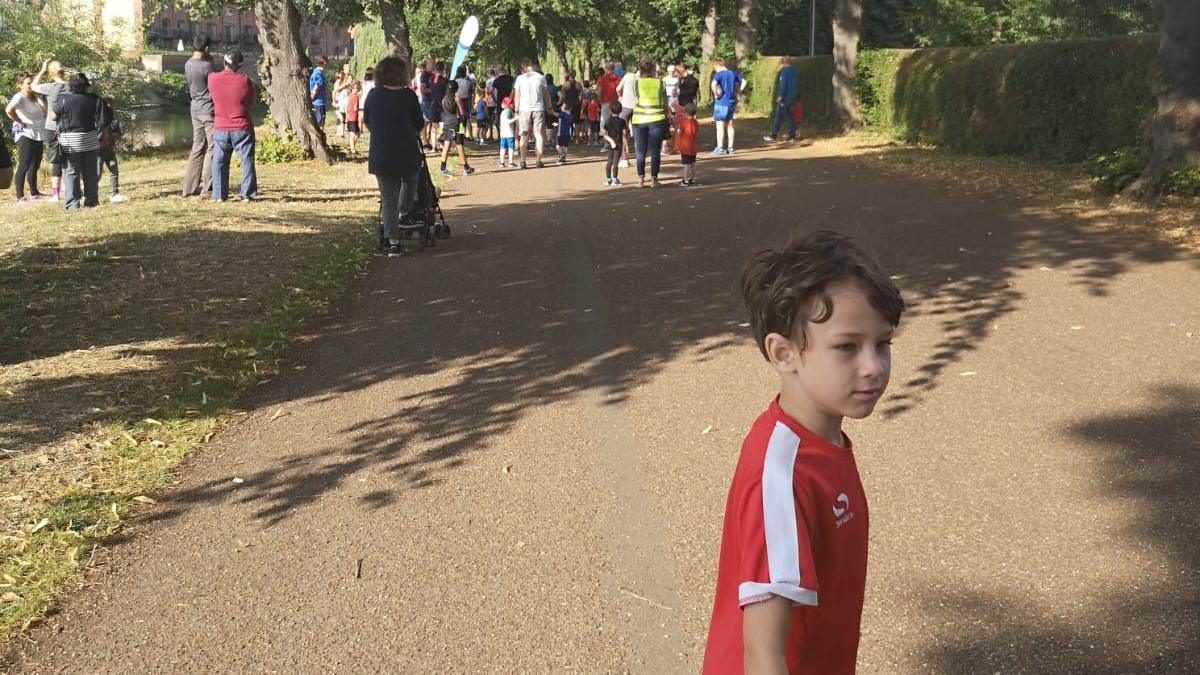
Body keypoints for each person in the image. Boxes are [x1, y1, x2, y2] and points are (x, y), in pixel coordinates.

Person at [702, 230, 904, 674]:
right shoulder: (782, 474)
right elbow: (763, 653)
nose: (874, 366)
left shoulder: (823, 442)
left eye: (883, 343)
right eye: (847, 347)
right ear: (784, 353)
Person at [363, 56, 424, 258]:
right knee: (411, 179)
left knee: (387, 198)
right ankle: (405, 211)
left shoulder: (373, 95)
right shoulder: (408, 96)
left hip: (382, 152)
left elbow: (368, 121)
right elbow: (418, 123)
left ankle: (394, 242)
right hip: (406, 151)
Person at [208, 51, 258, 202]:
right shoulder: (245, 81)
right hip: (242, 126)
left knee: (219, 161)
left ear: (224, 62)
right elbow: (250, 102)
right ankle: (247, 194)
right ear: (239, 66)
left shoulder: (212, 79)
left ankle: (219, 195)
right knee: (246, 160)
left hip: (221, 127)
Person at [53, 73, 104, 210]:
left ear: (71, 86)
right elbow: (101, 121)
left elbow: (53, 116)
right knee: (91, 173)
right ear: (86, 86)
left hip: (70, 141)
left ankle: (72, 204)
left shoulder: (63, 99)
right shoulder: (95, 99)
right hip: (90, 139)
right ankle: (92, 202)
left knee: (71, 172)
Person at [6, 72, 48, 203]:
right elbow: (9, 110)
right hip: (25, 134)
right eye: (28, 84)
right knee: (24, 165)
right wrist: (19, 120)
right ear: (20, 85)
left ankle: (34, 193)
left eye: (31, 83)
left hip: (38, 133)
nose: (31, 86)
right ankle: (20, 196)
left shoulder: (34, 97)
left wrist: (37, 96)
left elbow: (45, 111)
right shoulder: (19, 97)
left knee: (35, 165)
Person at [32, 59, 69, 201]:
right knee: (70, 158)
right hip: (69, 127)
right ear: (63, 71)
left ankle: (55, 194)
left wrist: (42, 70)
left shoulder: (49, 87)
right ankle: (69, 186)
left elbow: (34, 86)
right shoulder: (70, 87)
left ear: (51, 72)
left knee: (56, 161)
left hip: (52, 128)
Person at [629, 59, 667, 188]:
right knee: (655, 151)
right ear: (652, 70)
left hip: (639, 120)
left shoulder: (635, 84)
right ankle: (654, 180)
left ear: (640, 70)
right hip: (657, 119)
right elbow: (665, 103)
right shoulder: (661, 84)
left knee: (640, 151)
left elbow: (635, 101)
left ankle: (640, 179)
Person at [513, 59, 551, 169]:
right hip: (538, 108)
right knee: (538, 134)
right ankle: (538, 161)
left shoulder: (520, 79)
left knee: (524, 135)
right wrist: (549, 107)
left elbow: (517, 96)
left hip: (524, 109)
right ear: (532, 66)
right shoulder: (540, 78)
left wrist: (516, 110)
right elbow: (546, 95)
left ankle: (523, 161)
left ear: (523, 67)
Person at [437, 80, 475, 177]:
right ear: (456, 89)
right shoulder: (456, 98)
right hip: (457, 123)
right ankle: (466, 167)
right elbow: (462, 112)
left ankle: (443, 166)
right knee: (459, 144)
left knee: (447, 143)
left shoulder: (444, 99)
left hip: (447, 122)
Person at [710, 57, 745, 154]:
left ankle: (720, 147)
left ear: (717, 65)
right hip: (731, 101)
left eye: (714, 67)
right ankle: (730, 147)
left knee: (720, 126)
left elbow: (713, 84)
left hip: (721, 102)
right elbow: (744, 81)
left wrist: (716, 94)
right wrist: (739, 91)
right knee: (730, 124)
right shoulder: (732, 73)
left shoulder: (719, 74)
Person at [95, 95, 127, 203]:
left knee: (114, 171)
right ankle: (92, 195)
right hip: (99, 150)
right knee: (97, 173)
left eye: (112, 104)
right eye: (108, 104)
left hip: (109, 149)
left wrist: (114, 136)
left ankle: (114, 194)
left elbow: (118, 134)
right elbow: (95, 136)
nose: (111, 106)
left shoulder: (113, 120)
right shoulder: (97, 119)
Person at [765, 56, 799, 143]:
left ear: (783, 63)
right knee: (790, 116)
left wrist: (780, 96)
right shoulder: (794, 71)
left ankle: (773, 135)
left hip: (785, 98)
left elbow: (783, 85)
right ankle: (792, 135)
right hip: (792, 96)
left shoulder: (784, 72)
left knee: (779, 116)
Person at [615, 64, 639, 167]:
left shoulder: (627, 76)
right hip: (637, 107)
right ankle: (639, 157)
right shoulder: (642, 78)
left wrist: (620, 96)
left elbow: (618, 88)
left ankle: (624, 158)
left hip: (625, 106)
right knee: (638, 132)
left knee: (622, 131)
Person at [600, 101, 626, 186]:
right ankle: (615, 179)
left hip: (609, 143)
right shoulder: (622, 121)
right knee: (615, 162)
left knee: (609, 160)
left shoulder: (608, 121)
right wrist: (626, 145)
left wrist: (610, 141)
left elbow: (604, 133)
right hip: (618, 143)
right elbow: (624, 134)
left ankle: (608, 179)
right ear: (620, 110)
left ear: (610, 111)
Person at [675, 102, 699, 187]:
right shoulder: (696, 123)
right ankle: (692, 178)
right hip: (693, 147)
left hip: (685, 147)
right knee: (693, 163)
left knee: (686, 164)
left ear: (686, 113)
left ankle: (685, 180)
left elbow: (679, 132)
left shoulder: (683, 123)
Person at [596, 62, 621, 136]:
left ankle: (606, 140)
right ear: (614, 68)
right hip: (615, 102)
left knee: (604, 120)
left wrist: (600, 101)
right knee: (615, 120)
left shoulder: (602, 78)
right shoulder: (618, 78)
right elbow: (620, 91)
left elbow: (599, 91)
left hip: (605, 102)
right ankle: (615, 137)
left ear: (606, 69)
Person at [490, 66, 514, 141]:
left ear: (498, 71)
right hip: (510, 101)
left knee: (501, 119)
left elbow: (491, 91)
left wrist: (495, 99)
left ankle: (502, 136)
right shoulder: (511, 78)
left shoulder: (497, 80)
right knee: (511, 118)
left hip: (501, 102)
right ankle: (511, 135)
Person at [454, 65, 474, 143]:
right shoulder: (468, 83)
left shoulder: (454, 82)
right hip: (465, 105)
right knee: (463, 122)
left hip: (455, 104)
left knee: (455, 121)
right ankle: (461, 136)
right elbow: (470, 94)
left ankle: (455, 137)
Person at [497, 96, 517, 168]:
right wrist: (515, 119)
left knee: (503, 148)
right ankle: (511, 162)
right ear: (510, 104)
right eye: (512, 103)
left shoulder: (503, 112)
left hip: (503, 133)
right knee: (511, 148)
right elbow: (507, 121)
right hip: (509, 133)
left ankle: (502, 162)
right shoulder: (508, 112)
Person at [310, 56, 329, 130]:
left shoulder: (315, 72)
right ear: (324, 63)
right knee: (320, 123)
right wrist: (311, 98)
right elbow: (316, 88)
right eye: (327, 63)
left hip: (316, 102)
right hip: (319, 103)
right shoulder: (319, 74)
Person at [346, 81, 362, 156]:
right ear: (352, 88)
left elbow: (348, 107)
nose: (356, 89)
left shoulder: (350, 96)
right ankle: (353, 150)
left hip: (350, 117)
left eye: (357, 88)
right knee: (354, 135)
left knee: (356, 134)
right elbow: (355, 108)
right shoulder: (355, 97)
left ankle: (352, 148)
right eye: (355, 88)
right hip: (353, 118)